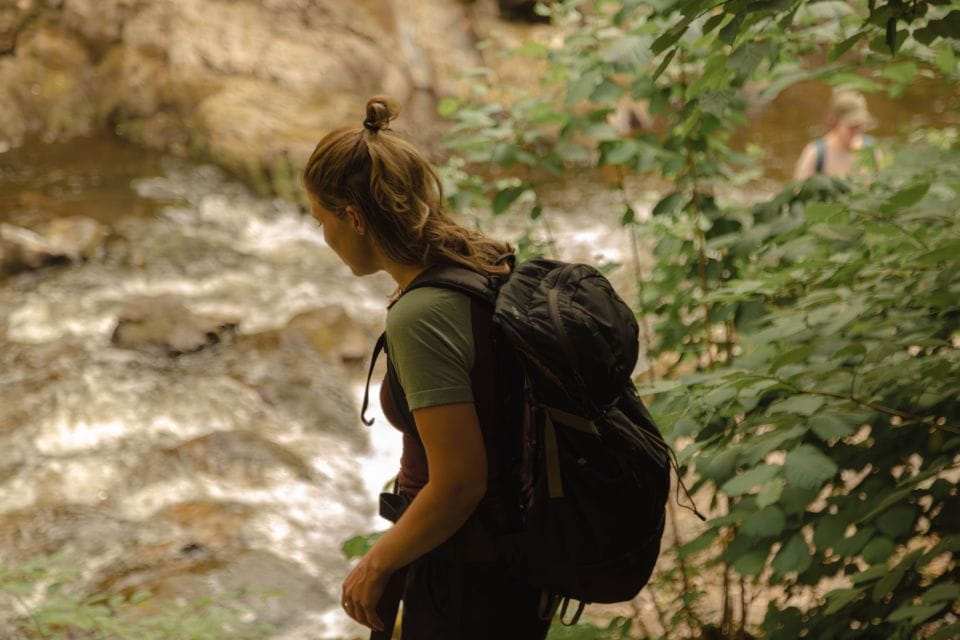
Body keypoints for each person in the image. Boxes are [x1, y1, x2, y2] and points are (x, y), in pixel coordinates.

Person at [301, 95, 551, 639]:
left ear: (354, 217)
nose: (324, 237)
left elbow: (460, 481)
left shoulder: (422, 314)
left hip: (464, 572)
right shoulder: (478, 260)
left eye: (322, 220)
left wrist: (376, 564)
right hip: (511, 558)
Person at [793, 89, 880, 181]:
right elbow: (797, 191)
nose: (857, 131)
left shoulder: (872, 149)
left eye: (860, 125)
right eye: (852, 126)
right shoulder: (816, 154)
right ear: (835, 122)